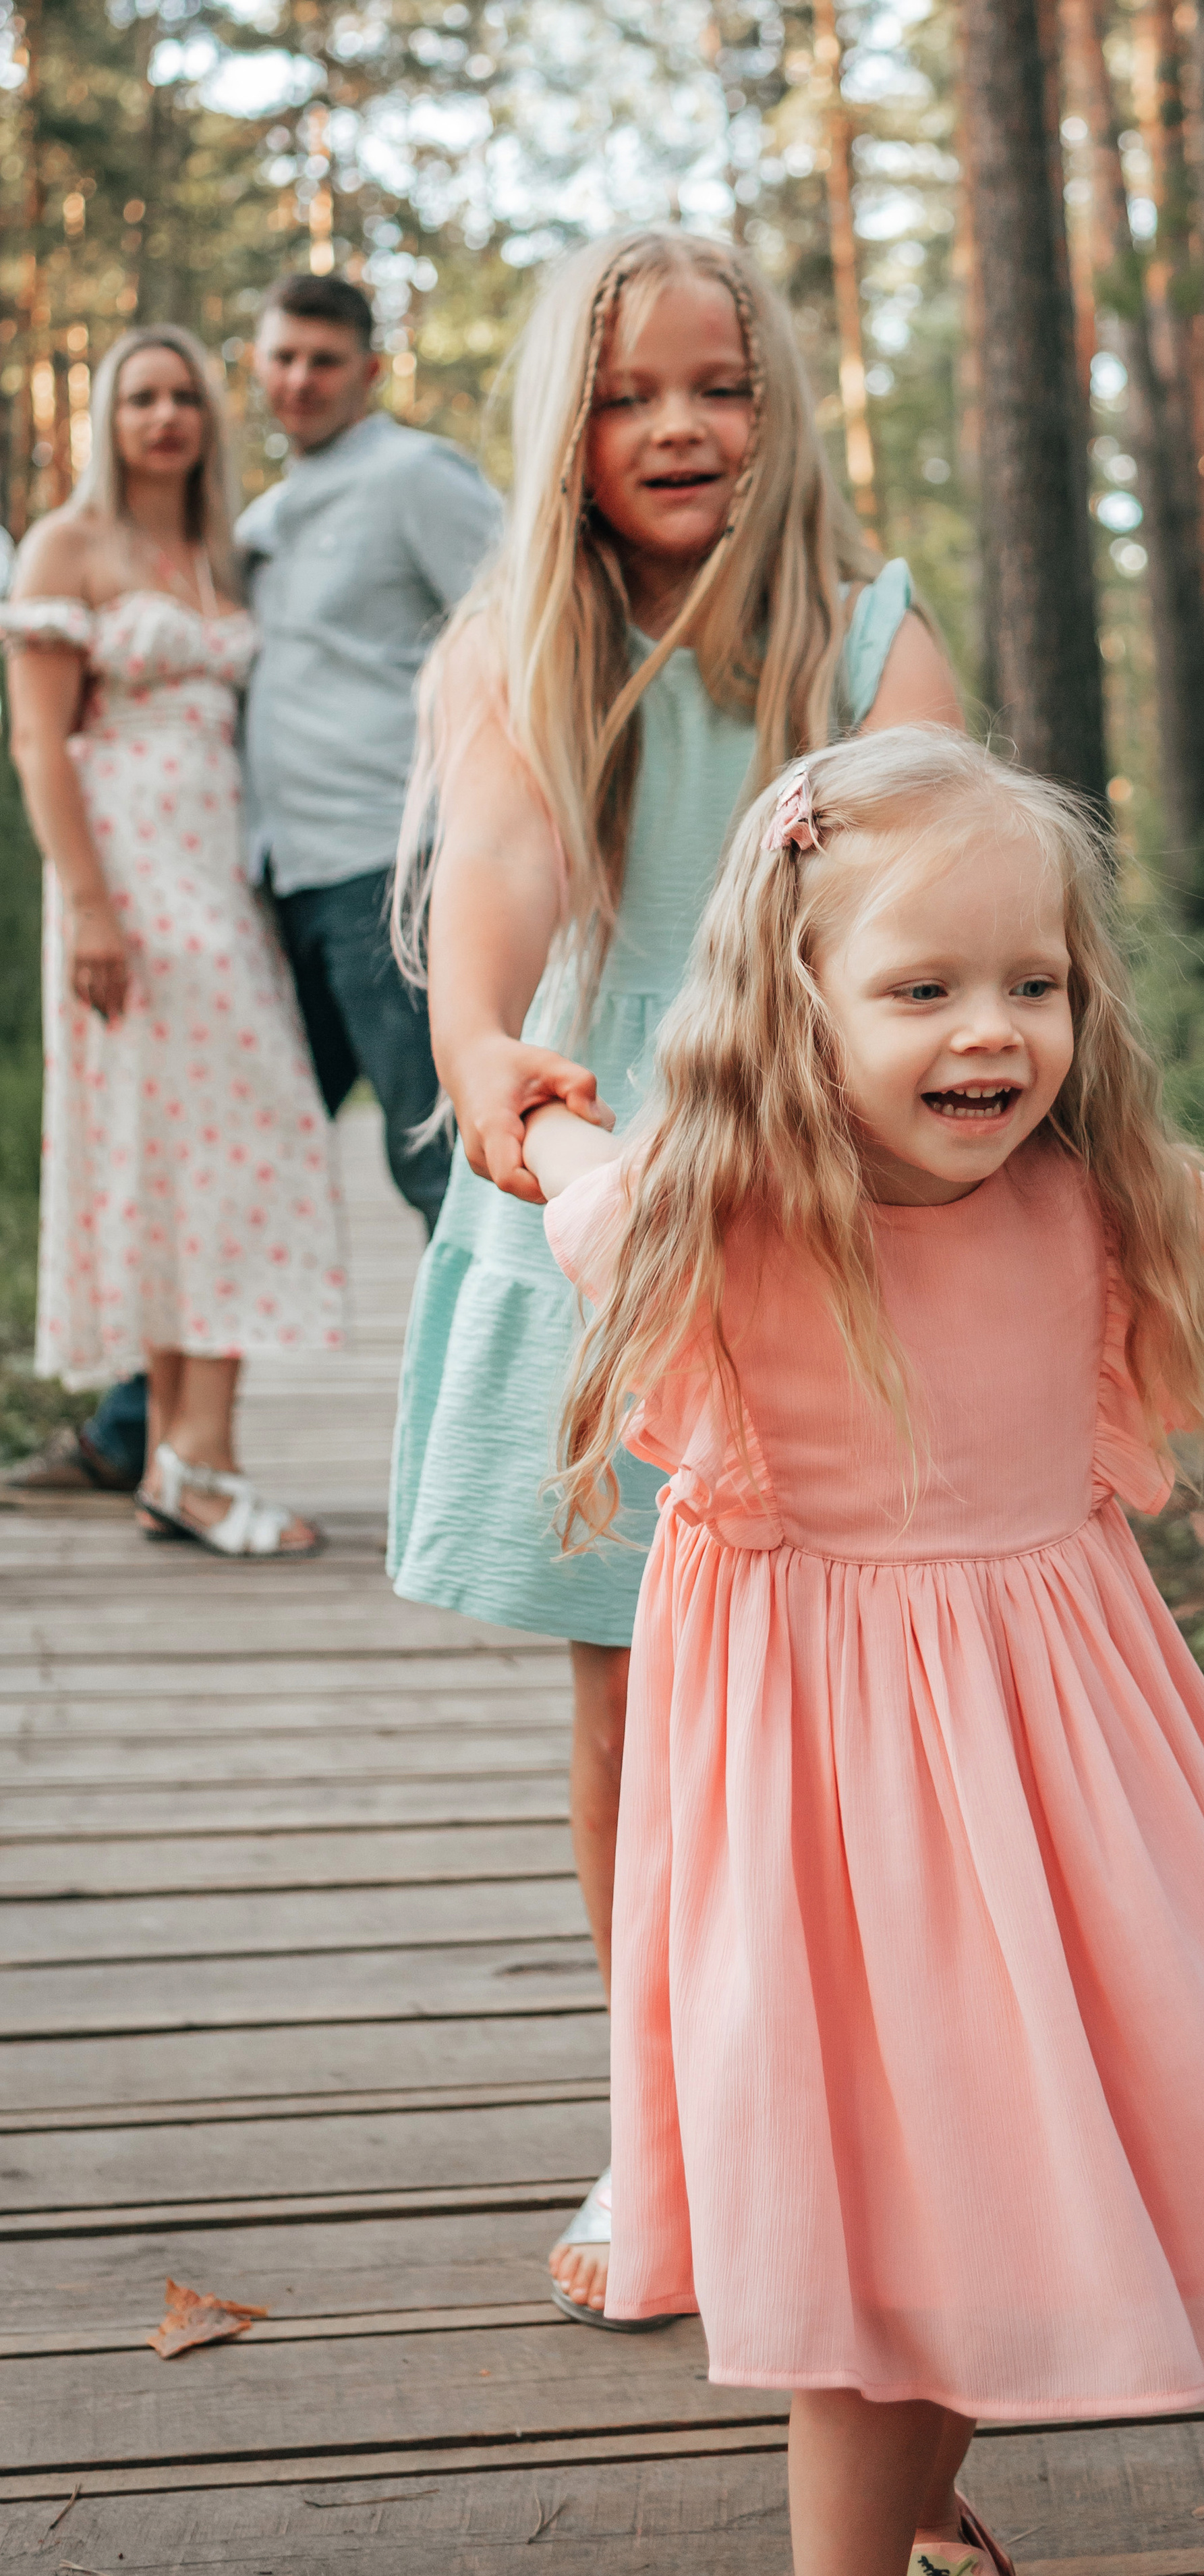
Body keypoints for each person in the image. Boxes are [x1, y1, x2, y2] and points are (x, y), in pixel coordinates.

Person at [525, 727, 1204, 2576]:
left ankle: (921, 2525)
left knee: (1012, 2189)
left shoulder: (1103, 1208)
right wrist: (535, 1108)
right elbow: (578, 1186)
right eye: (922, 987)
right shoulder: (721, 1224)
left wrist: (539, 1120)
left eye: (1034, 984)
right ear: (795, 1005)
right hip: (829, 1830)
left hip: (1065, 1804)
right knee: (884, 2237)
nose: (991, 1033)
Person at [386, 228, 963, 2324]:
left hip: (822, 1197)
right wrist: (490, 1068)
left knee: (857, 1693)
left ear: (775, 398)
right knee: (635, 1695)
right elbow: (507, 888)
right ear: (567, 429)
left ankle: (881, 2106)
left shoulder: (866, 636)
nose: (679, 428)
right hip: (602, 1192)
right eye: (629, 398)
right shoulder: (519, 646)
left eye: (716, 385)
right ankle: (668, 2133)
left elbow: (935, 880)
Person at [1, 325, 344, 1555]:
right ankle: (197, 1460)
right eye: (141, 397)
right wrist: (90, 906)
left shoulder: (222, 553)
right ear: (111, 417)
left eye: (183, 396)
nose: (163, 417)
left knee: (213, 1154)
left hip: (224, 880)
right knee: (197, 1151)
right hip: (127, 885)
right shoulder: (66, 546)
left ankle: (182, 1460)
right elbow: (40, 743)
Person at [237, 271, 501, 1231]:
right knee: (241, 1141)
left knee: (437, 1157)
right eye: (283, 357)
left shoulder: (415, 477)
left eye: (324, 361)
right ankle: (155, 1388)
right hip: (280, 877)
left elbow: (524, 627)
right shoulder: (261, 519)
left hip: (392, 862)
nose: (300, 379)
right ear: (257, 364)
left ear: (370, 371)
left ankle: (508, 1380)